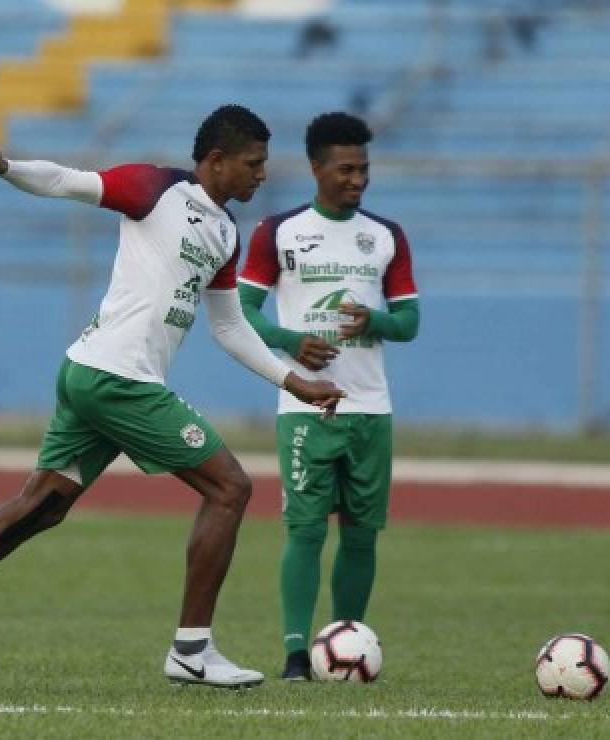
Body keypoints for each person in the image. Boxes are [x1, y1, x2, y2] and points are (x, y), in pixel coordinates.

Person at [0, 105, 345, 689]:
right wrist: (5, 167)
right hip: (117, 380)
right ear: (217, 160)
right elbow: (67, 181)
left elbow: (228, 326)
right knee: (229, 488)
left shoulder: (226, 232)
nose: (262, 174)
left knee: (42, 507)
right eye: (253, 163)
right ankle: (192, 650)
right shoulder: (156, 189)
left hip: (93, 375)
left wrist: (291, 381)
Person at [237, 112, 419, 681]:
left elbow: (409, 322)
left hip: (371, 409)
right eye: (345, 169)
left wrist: (375, 321)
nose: (357, 179)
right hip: (306, 408)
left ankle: (346, 643)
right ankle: (296, 655)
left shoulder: (385, 236)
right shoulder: (278, 232)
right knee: (306, 530)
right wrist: (291, 342)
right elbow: (242, 311)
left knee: (361, 536)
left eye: (363, 169)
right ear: (316, 167)